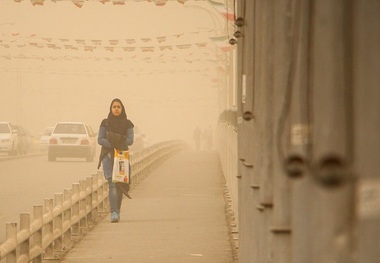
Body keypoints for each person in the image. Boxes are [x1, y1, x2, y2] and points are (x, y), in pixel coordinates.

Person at [98, 98, 134, 223]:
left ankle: (117, 210)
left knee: (120, 185)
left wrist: (118, 141)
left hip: (121, 157)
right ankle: (114, 212)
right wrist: (113, 143)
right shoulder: (105, 123)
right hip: (108, 156)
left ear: (122, 108)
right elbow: (100, 139)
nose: (116, 109)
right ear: (111, 108)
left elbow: (130, 140)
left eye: (119, 107)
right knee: (112, 184)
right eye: (114, 107)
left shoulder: (127, 124)